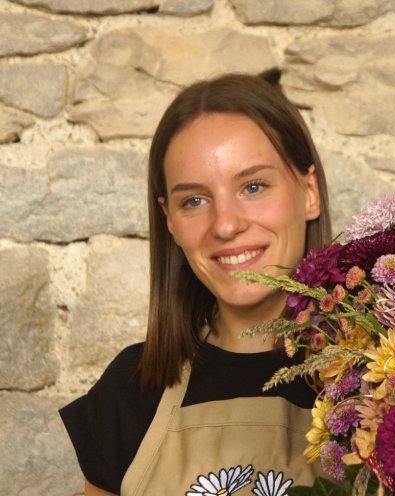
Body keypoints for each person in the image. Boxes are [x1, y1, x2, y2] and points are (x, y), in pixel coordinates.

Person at [60, 73, 332, 496]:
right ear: (170, 220)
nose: (225, 224)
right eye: (195, 201)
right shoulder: (131, 391)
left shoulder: (381, 377)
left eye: (253, 186)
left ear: (309, 192)